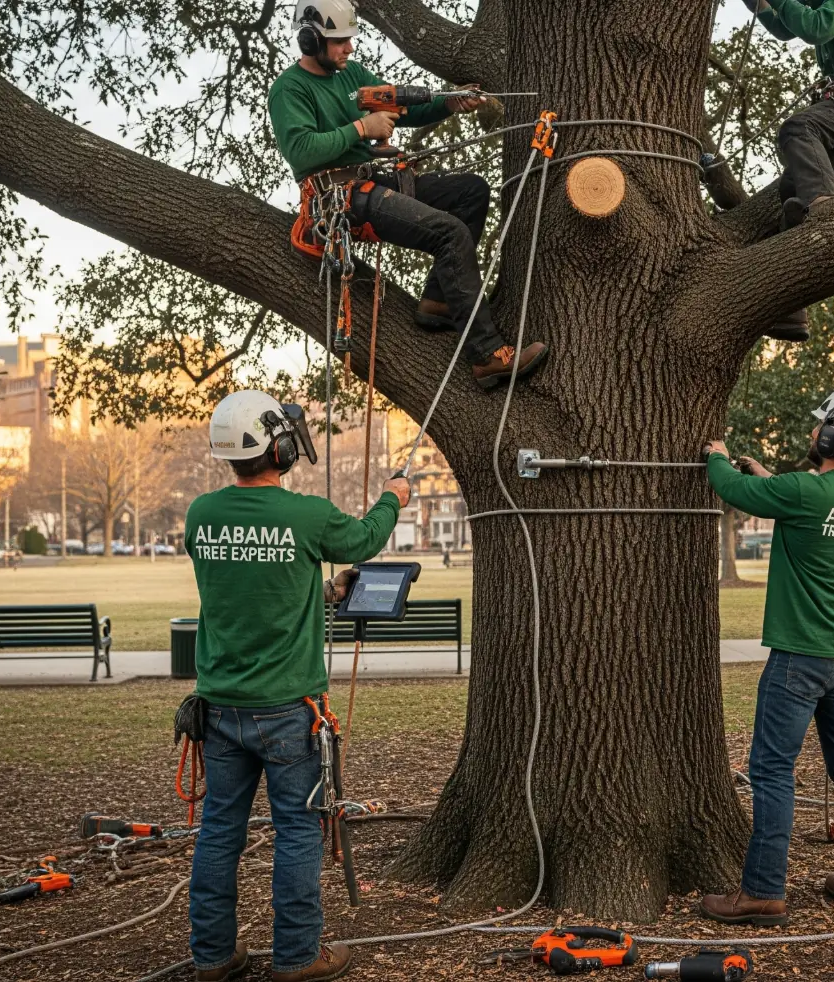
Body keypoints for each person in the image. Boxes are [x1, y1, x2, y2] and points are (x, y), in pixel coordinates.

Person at [185, 389, 411, 982]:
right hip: (288, 711)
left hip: (220, 707)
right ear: (278, 446)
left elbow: (252, 584)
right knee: (297, 832)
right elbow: (363, 539)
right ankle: (296, 957)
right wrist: (394, 496)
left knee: (219, 832)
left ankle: (210, 956)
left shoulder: (201, 514)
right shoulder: (304, 516)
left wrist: (324, 592)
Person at [268, 0, 548, 390]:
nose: (349, 48)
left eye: (349, 39)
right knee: (450, 233)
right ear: (311, 40)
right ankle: (487, 356)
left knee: (471, 192)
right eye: (339, 41)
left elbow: (399, 104)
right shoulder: (289, 89)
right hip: (338, 198)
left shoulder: (352, 75)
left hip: (373, 181)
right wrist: (361, 129)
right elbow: (300, 149)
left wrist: (449, 102)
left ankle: (438, 301)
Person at [696, 386, 834, 925]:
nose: (812, 433)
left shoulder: (807, 490)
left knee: (771, 769)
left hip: (799, 657)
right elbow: (795, 499)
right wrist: (767, 474)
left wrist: (715, 454)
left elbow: (730, 488)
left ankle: (761, 891)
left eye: (820, 426)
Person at [737, 0, 834, 341]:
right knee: (790, 192)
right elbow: (785, 28)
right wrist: (760, 5)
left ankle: (827, 210)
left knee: (798, 129)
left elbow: (814, 28)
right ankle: (791, 308)